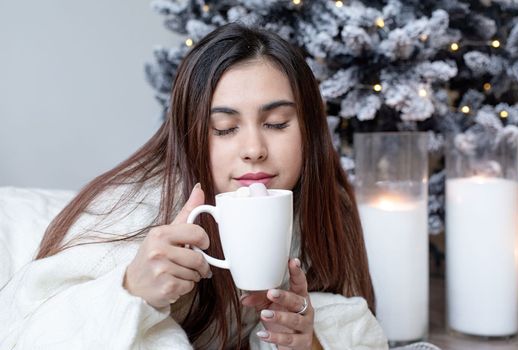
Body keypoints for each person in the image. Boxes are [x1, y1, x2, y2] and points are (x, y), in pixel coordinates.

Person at [0, 23, 387, 349]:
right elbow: (23, 327)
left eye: (276, 123)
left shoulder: (322, 207)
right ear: (191, 138)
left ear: (309, 131)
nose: (254, 149)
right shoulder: (143, 213)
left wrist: (308, 342)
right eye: (224, 129)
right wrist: (131, 289)